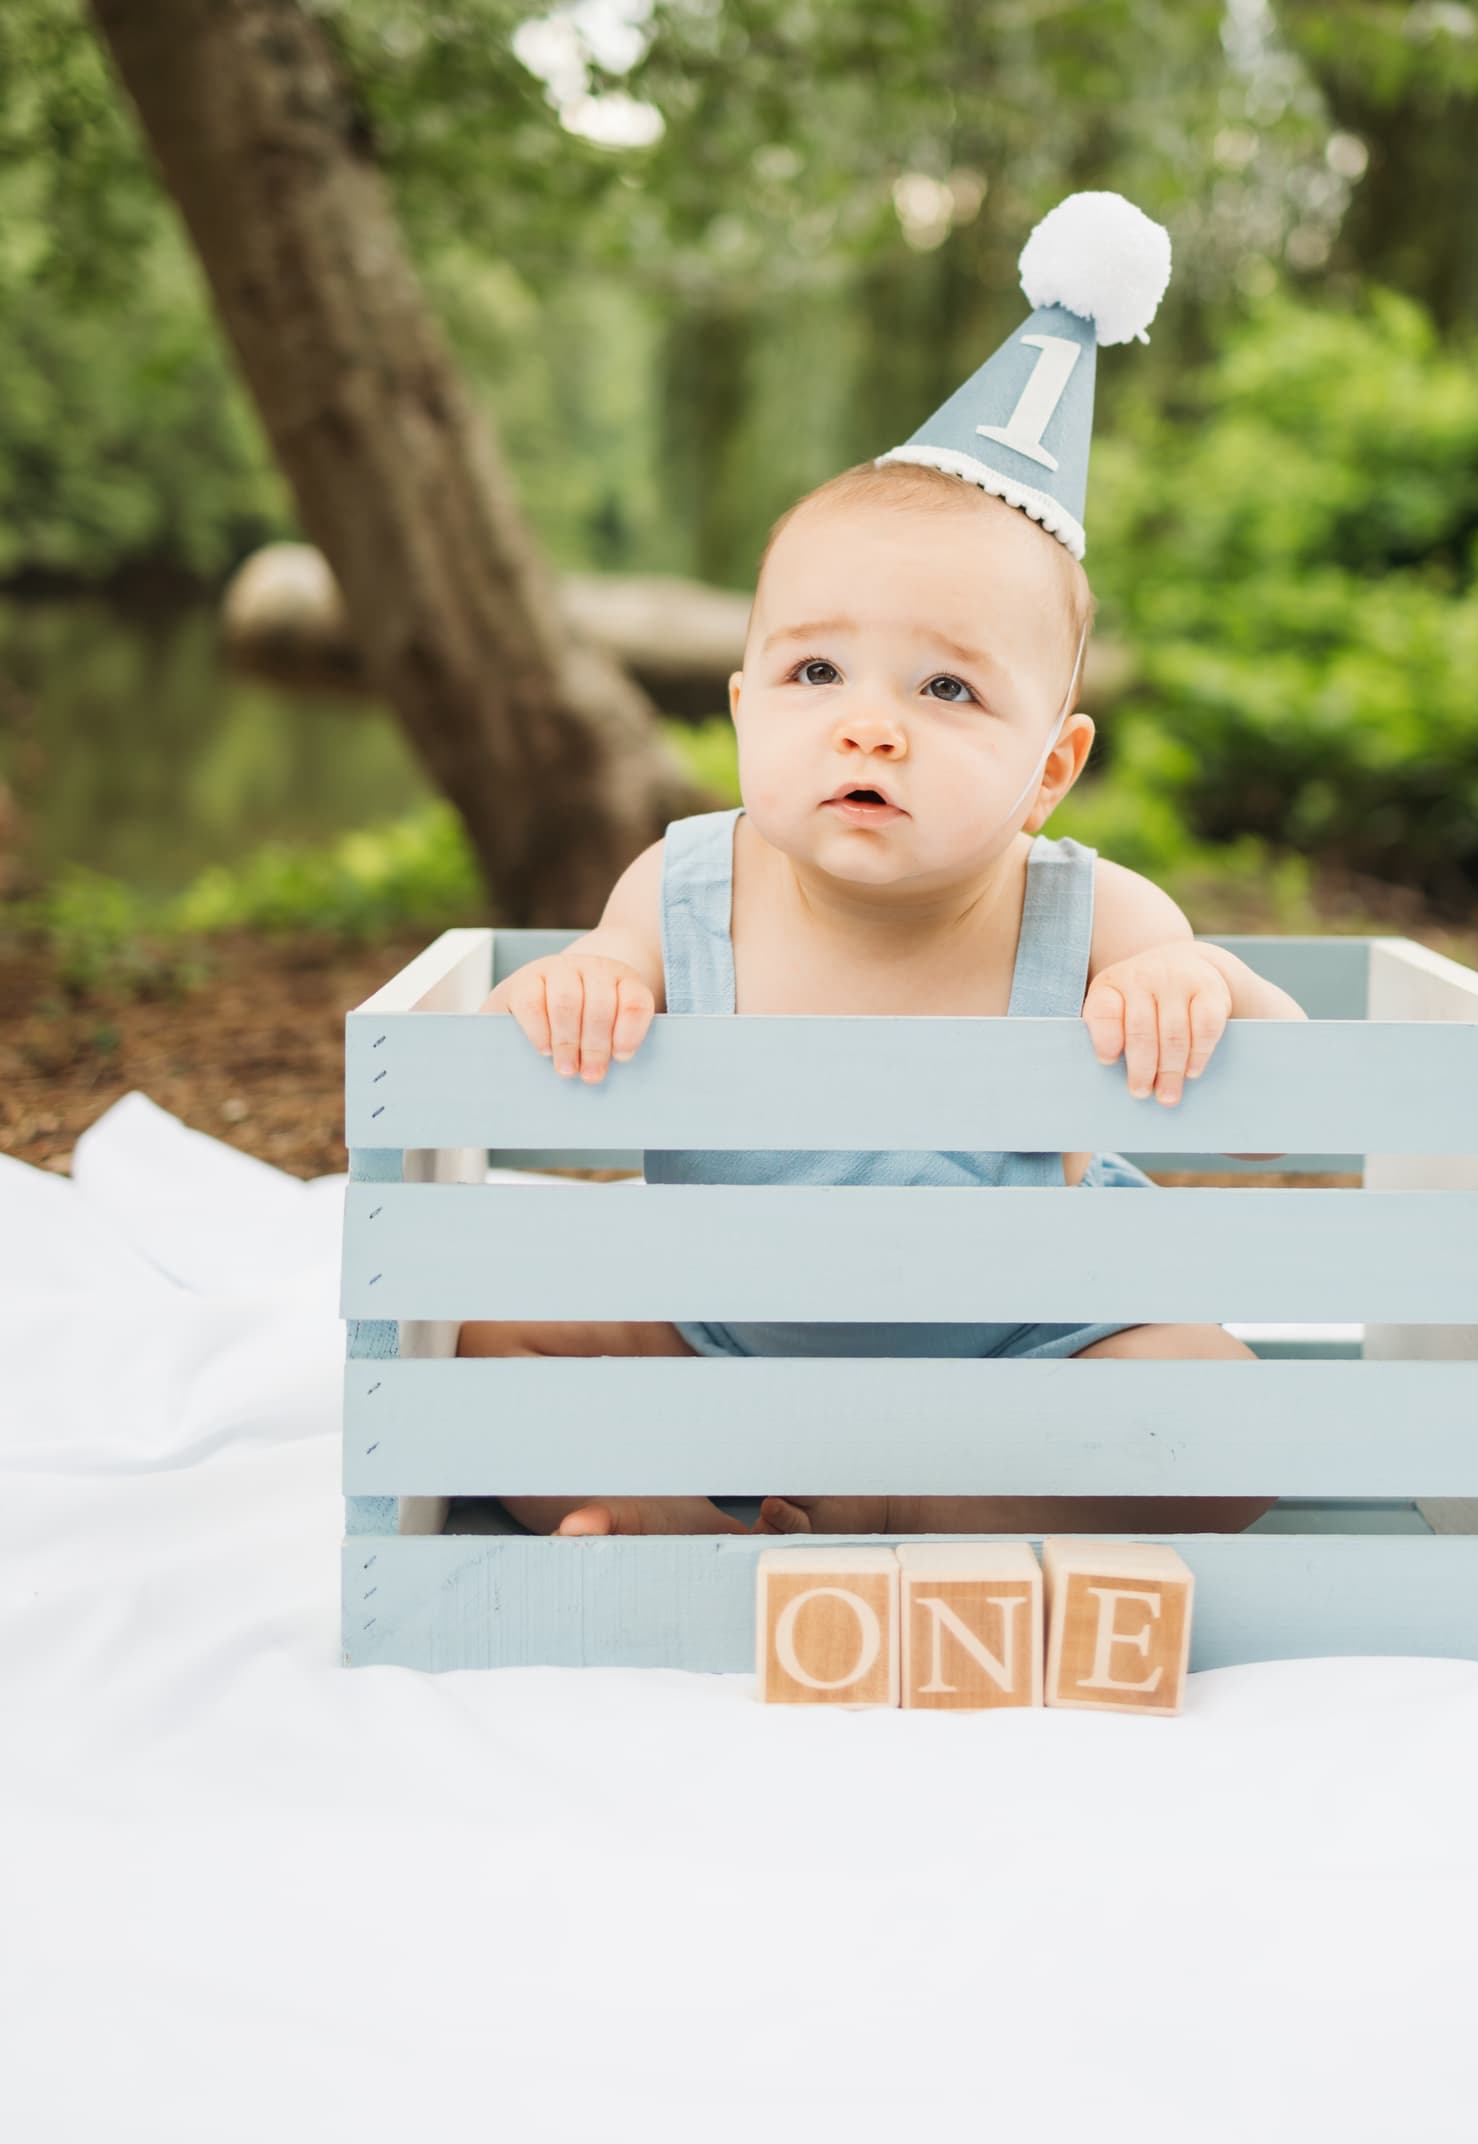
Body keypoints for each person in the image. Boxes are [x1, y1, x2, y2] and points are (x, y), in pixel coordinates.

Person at [460, 192, 1304, 1539]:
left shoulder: (1085, 909)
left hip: (1033, 1351)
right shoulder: (684, 889)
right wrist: (575, 991)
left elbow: (1283, 1082)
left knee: (1226, 1424)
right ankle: (662, 1509)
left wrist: (1200, 989)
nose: (869, 722)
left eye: (948, 689)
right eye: (814, 669)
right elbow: (574, 997)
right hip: (720, 1329)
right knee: (491, 1337)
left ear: (1050, 770)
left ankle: (891, 1500)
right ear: (742, 711)